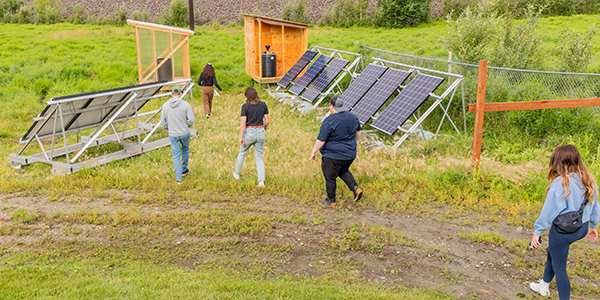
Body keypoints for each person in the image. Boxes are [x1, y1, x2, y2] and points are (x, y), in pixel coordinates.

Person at [529, 144, 599, 299]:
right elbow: (595, 204)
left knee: (560, 268)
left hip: (563, 232)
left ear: (558, 162)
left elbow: (548, 212)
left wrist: (537, 232)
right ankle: (544, 285)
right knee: (552, 252)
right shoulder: (589, 179)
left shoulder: (560, 183)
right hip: (581, 228)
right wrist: (593, 226)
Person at [310, 96, 363, 207]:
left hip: (333, 155)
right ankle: (356, 189)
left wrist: (314, 151)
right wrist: (356, 142)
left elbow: (321, 140)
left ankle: (331, 200)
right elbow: (358, 131)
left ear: (331, 106)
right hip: (350, 154)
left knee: (330, 176)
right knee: (343, 170)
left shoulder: (329, 120)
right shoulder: (353, 117)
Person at [233, 87, 269, 187]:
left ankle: (236, 174)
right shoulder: (263, 104)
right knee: (259, 158)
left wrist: (241, 136)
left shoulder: (245, 106)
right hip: (260, 131)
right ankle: (261, 181)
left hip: (249, 132)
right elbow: (267, 121)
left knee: (242, 153)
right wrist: (264, 128)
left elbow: (243, 124)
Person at [160, 85, 195, 185]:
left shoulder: (165, 105)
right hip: (184, 133)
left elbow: (163, 122)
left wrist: (169, 128)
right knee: (185, 149)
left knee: (175, 155)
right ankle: (184, 170)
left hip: (173, 134)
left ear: (171, 94)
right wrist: (186, 125)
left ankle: (178, 178)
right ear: (180, 94)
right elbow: (191, 120)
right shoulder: (185, 105)